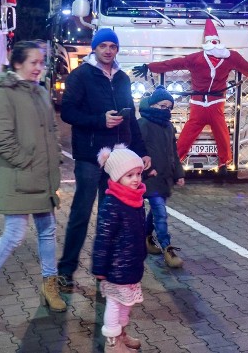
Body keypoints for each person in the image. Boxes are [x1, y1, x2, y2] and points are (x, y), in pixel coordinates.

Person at [0, 41, 64, 322]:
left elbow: (52, 128)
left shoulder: (40, 91)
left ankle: (50, 286)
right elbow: (2, 140)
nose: (39, 67)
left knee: (47, 230)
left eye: (41, 62)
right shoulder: (3, 94)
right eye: (33, 62)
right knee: (14, 235)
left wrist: (55, 154)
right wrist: (29, 162)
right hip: (20, 176)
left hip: (42, 175)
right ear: (17, 63)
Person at [59, 28, 149, 291]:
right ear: (94, 49)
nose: (108, 50)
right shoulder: (81, 76)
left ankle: (105, 273)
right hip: (90, 157)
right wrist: (100, 120)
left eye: (112, 46)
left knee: (110, 217)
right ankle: (66, 270)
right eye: (103, 46)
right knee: (81, 213)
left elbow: (130, 116)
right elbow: (68, 112)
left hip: (117, 160)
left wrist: (142, 151)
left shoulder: (122, 78)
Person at [133, 20, 248, 168]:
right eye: (212, 41)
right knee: (187, 136)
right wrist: (149, 67)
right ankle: (174, 163)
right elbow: (172, 64)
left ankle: (224, 163)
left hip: (216, 103)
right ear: (207, 43)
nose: (214, 44)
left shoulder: (231, 57)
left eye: (216, 41)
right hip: (198, 104)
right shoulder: (197, 58)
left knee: (221, 133)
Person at [92, 145, 148, 353]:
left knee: (126, 304)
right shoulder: (113, 203)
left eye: (138, 174)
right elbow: (103, 238)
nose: (136, 179)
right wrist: (100, 267)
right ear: (117, 177)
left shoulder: (136, 200)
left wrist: (141, 255)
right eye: (129, 175)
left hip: (131, 265)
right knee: (115, 304)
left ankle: (121, 335)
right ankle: (112, 343)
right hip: (115, 268)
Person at [137, 86, 186, 268]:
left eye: (168, 107)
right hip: (150, 176)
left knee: (156, 211)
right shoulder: (143, 124)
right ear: (153, 105)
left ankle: (147, 239)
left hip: (165, 176)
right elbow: (136, 149)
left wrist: (178, 174)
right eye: (162, 105)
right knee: (160, 213)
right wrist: (143, 170)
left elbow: (173, 152)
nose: (165, 110)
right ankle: (167, 248)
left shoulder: (168, 126)